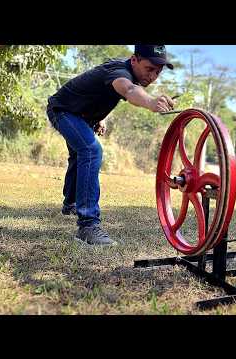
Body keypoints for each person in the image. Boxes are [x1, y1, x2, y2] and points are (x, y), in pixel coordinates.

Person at [46, 45, 176, 246]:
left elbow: (103, 92)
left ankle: (70, 204)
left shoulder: (124, 71)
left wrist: (100, 118)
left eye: (158, 72)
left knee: (79, 155)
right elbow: (129, 89)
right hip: (62, 110)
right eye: (149, 69)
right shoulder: (120, 72)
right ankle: (88, 226)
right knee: (91, 150)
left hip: (82, 116)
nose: (153, 76)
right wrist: (150, 102)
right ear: (134, 60)